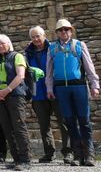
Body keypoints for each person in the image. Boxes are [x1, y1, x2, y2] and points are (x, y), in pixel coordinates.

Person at [46, 19, 100, 167]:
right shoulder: (52, 48)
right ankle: (77, 155)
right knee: (69, 122)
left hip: (79, 86)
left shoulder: (79, 45)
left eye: (66, 29)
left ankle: (89, 155)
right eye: (60, 30)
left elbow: (89, 66)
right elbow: (49, 71)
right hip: (61, 89)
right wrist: (49, 88)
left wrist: (94, 85)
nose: (64, 32)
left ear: (71, 30)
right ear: (57, 33)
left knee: (84, 121)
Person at [25, 26, 72, 165]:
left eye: (38, 36)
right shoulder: (28, 53)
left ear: (44, 36)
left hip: (56, 91)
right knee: (44, 126)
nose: (36, 39)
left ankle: (68, 153)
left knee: (64, 123)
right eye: (33, 37)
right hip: (38, 94)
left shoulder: (53, 48)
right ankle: (49, 153)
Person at [0, 34, 31, 171]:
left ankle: (25, 160)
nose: (0, 46)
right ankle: (16, 159)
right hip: (0, 98)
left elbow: (20, 75)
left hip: (15, 96)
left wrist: (7, 90)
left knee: (19, 127)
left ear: (9, 44)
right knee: (7, 128)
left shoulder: (17, 56)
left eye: (3, 43)